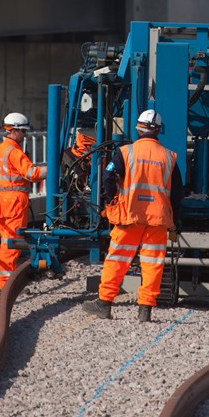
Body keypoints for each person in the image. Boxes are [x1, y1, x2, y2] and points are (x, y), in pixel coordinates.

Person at [84, 109, 184, 322]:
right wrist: (176, 219)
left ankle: (104, 304)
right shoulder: (169, 156)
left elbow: (108, 176)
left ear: (138, 129)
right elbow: (177, 193)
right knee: (152, 264)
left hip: (129, 216)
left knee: (117, 260)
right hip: (158, 220)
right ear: (158, 130)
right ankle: (145, 310)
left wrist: (111, 200)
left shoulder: (124, 152)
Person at [0, 112, 47, 290]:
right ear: (14, 131)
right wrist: (51, 168)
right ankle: (7, 285)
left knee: (6, 240)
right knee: (11, 243)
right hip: (15, 201)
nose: (24, 135)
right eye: (23, 132)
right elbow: (32, 174)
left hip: (3, 200)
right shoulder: (14, 152)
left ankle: (5, 283)